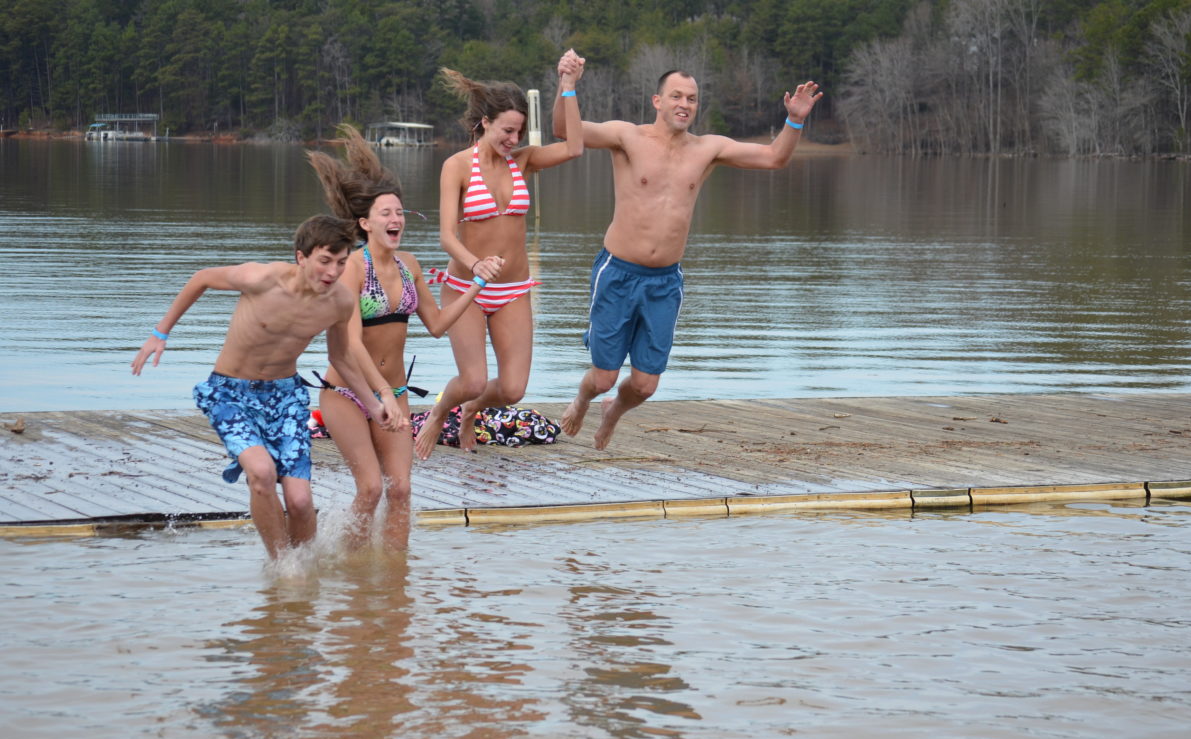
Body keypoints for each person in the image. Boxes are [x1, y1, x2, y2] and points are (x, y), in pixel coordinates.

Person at [553, 67, 823, 450]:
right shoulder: (627, 137)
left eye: (692, 99)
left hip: (664, 281)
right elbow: (564, 130)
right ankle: (582, 401)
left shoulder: (706, 149)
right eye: (677, 96)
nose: (685, 104)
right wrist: (566, 86)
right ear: (657, 101)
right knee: (602, 378)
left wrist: (794, 120)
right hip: (618, 273)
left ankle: (613, 412)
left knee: (645, 386)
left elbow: (774, 158)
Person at [131, 215, 403, 558]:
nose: (332, 272)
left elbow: (340, 356)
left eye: (340, 262)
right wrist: (160, 334)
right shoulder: (262, 278)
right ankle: (282, 567)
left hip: (285, 396)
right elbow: (202, 279)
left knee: (300, 501)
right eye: (324, 261)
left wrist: (375, 404)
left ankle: (304, 568)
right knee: (261, 472)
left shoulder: (339, 303)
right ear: (301, 257)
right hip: (230, 393)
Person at [307, 123, 502, 549]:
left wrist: (477, 284)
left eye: (399, 212)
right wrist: (379, 396)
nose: (396, 219)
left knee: (401, 490)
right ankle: (346, 561)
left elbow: (437, 325)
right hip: (346, 394)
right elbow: (350, 344)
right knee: (370, 489)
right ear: (365, 223)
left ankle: (395, 572)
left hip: (394, 392)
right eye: (386, 214)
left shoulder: (409, 264)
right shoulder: (352, 268)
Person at [413, 50, 586, 460]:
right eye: (507, 130)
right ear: (485, 122)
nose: (514, 140)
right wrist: (476, 265)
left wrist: (567, 87)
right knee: (472, 379)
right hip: (466, 287)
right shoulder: (457, 166)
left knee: (512, 390)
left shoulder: (522, 161)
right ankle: (441, 411)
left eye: (519, 132)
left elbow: (575, 147)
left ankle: (471, 410)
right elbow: (446, 236)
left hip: (513, 290)